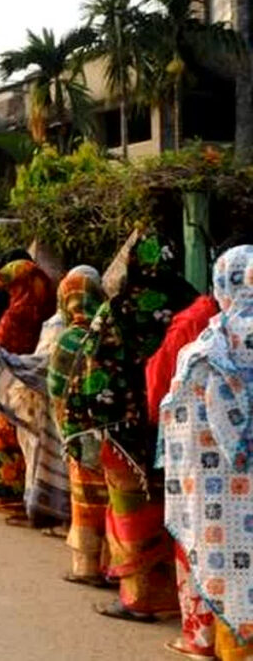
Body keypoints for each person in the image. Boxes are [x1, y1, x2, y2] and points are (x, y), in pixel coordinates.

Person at [72, 231, 196, 622]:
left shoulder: (117, 310)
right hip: (180, 430)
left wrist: (88, 419)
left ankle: (138, 598)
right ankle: (178, 595)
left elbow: (90, 371)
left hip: (125, 431)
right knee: (174, 512)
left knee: (131, 511)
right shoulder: (192, 303)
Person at [161, 245, 253, 659]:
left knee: (217, 564)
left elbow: (178, 423)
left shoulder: (204, 346)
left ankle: (212, 644)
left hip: (213, 495)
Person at [0, 267, 97, 529]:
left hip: (47, 404)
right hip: (84, 411)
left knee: (47, 458)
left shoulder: (59, 326)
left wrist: (4, 358)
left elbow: (44, 365)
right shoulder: (102, 325)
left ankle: (60, 519)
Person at [47, 265, 111, 590]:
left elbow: (55, 386)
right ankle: (114, 565)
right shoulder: (109, 331)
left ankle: (87, 567)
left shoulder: (70, 338)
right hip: (111, 433)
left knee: (86, 501)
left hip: (79, 432)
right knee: (111, 499)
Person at [0, 258, 56, 521]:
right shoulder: (50, 310)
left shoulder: (17, 313)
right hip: (39, 389)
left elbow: (0, 349)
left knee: (16, 445)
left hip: (14, 388)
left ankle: (17, 501)